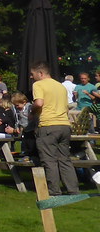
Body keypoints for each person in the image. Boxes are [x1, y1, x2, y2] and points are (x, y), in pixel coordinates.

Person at [32, 62, 80, 195]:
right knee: (64, 159)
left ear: (40, 73)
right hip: (64, 125)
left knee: (49, 159)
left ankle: (54, 191)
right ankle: (73, 189)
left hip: (48, 125)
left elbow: (39, 103)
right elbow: (65, 107)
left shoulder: (38, 84)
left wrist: (32, 111)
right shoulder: (61, 86)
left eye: (33, 74)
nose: (31, 77)